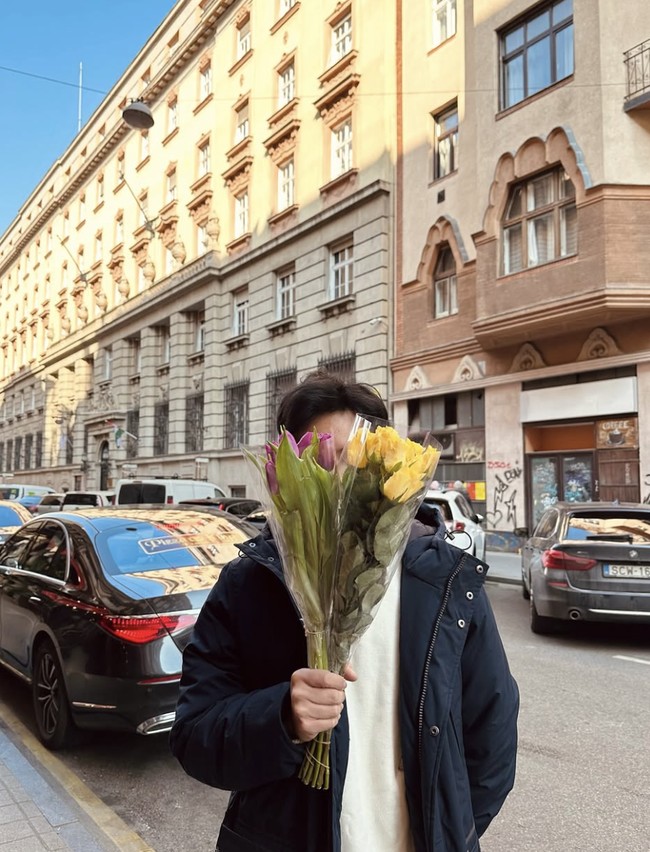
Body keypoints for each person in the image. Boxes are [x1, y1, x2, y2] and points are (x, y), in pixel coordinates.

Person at [170, 369, 519, 852]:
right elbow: (194, 736)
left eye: (357, 460)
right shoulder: (250, 584)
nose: (339, 479)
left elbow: (492, 730)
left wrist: (450, 830)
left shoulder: (444, 582)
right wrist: (282, 718)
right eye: (320, 460)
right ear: (289, 472)